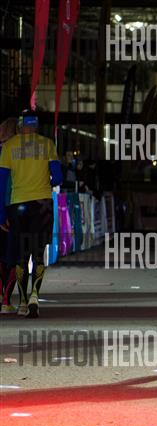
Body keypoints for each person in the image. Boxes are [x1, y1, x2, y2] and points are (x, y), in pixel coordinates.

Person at [0, 110, 63, 318]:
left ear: (20, 125)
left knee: (20, 254)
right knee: (38, 252)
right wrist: (47, 181)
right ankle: (35, 294)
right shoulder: (47, 144)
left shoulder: (9, 146)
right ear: (36, 125)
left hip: (18, 204)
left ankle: (22, 303)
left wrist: (1, 214)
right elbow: (58, 177)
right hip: (42, 204)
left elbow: (2, 182)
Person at [0, 117, 18, 314]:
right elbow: (6, 186)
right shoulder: (13, 154)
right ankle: (6, 300)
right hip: (11, 208)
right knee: (13, 256)